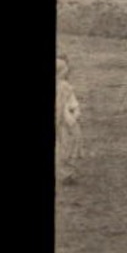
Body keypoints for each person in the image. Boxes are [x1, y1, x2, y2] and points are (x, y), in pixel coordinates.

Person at [56, 56, 83, 186]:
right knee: (62, 146)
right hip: (60, 121)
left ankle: (68, 174)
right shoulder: (62, 87)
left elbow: (72, 102)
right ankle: (64, 173)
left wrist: (75, 112)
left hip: (66, 121)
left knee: (68, 145)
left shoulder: (65, 87)